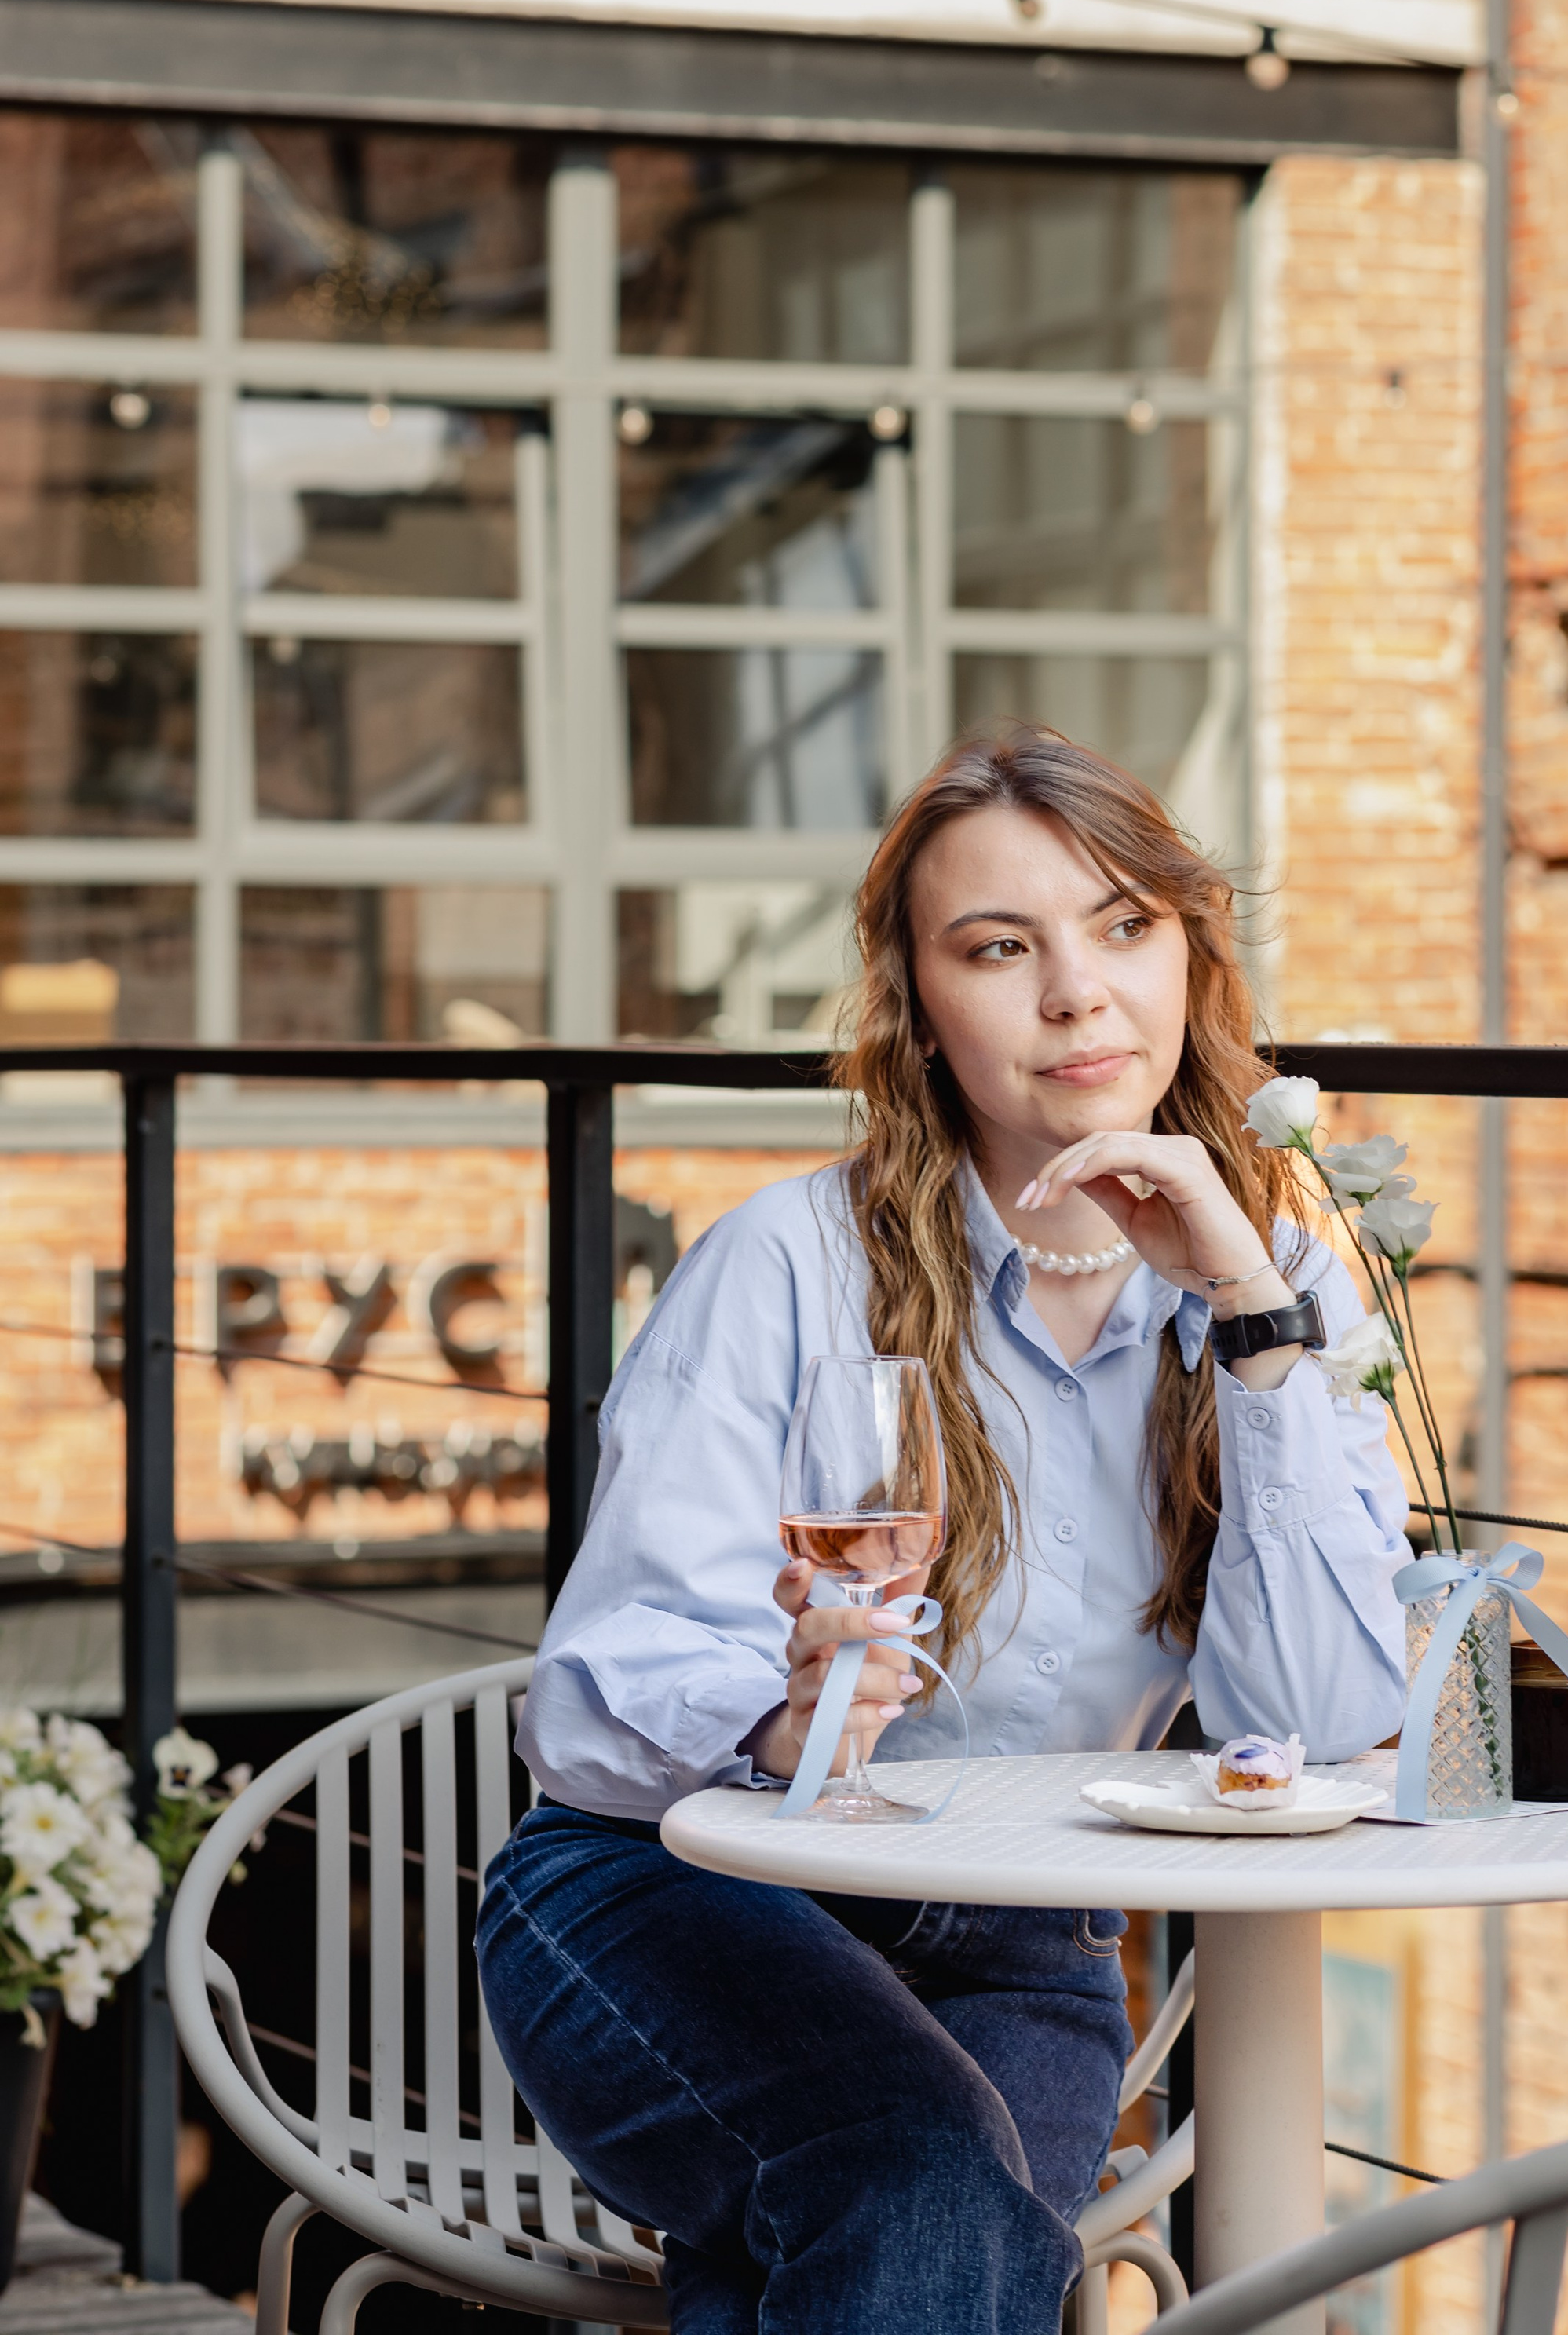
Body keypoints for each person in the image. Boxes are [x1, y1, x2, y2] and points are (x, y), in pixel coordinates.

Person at [477, 728, 1409, 2335]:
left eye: (1123, 926)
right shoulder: (783, 1267)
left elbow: (1324, 1725)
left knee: (879, 2235)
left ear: (1186, 953)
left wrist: (1251, 1320)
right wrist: (779, 1712)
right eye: (999, 948)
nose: (1076, 994)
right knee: (918, 2195)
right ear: (919, 1008)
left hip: (1015, 1931)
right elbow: (581, 1717)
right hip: (675, 1890)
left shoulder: (1278, 1282)